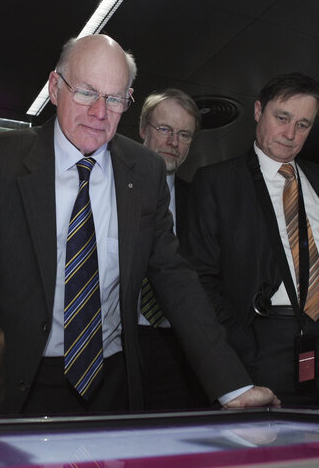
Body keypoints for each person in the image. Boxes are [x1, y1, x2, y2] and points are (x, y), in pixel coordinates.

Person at [0, 34, 278, 421]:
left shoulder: (143, 170)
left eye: (115, 98)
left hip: (113, 384)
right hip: (12, 386)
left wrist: (232, 387)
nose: (100, 113)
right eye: (86, 93)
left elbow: (176, 280)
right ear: (55, 88)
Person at [184, 73, 319, 408]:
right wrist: (243, 347)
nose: (290, 134)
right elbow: (201, 279)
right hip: (270, 346)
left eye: (303, 125)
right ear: (259, 111)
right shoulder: (217, 182)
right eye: (282, 118)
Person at [137, 89, 208, 410]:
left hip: (182, 349)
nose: (173, 142)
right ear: (142, 130)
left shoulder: (201, 204)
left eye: (184, 134)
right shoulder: (103, 187)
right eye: (164, 129)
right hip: (118, 345)